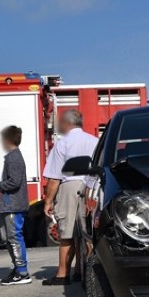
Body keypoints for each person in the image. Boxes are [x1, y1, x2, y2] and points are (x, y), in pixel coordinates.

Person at [42, 110, 98, 286]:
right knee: (87, 232)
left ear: (66, 124)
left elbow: (54, 177)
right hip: (92, 186)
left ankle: (62, 273)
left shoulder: (62, 144)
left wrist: (48, 201)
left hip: (70, 186)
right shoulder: (95, 142)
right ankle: (84, 272)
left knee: (67, 232)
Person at [0, 126, 31, 286]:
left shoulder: (13, 157)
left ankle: (22, 272)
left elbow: (14, 182)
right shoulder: (12, 156)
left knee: (14, 236)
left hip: (13, 205)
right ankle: (18, 268)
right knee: (8, 238)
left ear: (7, 140)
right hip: (9, 205)